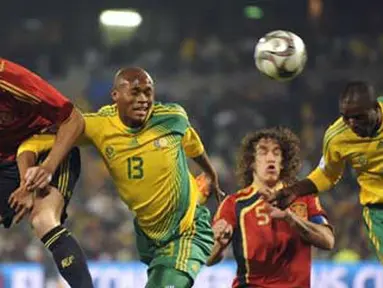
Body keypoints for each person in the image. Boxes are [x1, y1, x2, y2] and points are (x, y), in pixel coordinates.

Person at [14, 67, 223, 288]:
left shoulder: (172, 118)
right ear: (115, 96)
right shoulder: (99, 126)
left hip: (187, 230)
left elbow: (193, 144)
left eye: (148, 92)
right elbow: (32, 144)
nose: (143, 99)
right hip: (150, 235)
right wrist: (27, 181)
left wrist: (210, 173)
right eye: (135, 92)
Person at [261, 81, 383, 262]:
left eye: (358, 117)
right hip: (379, 210)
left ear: (375, 108)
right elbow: (328, 174)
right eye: (345, 117)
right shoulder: (337, 138)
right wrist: (295, 190)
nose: (351, 123)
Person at [0, 58, 93, 287]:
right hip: (9, 160)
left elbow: (73, 119)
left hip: (46, 147)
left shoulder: (12, 79)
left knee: (43, 219)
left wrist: (45, 169)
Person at [207, 127, 334, 287]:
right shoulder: (235, 203)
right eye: (263, 152)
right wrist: (219, 244)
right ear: (252, 162)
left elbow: (328, 241)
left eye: (276, 153)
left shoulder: (303, 196)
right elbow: (208, 259)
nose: (270, 158)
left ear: (283, 162)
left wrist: (291, 218)